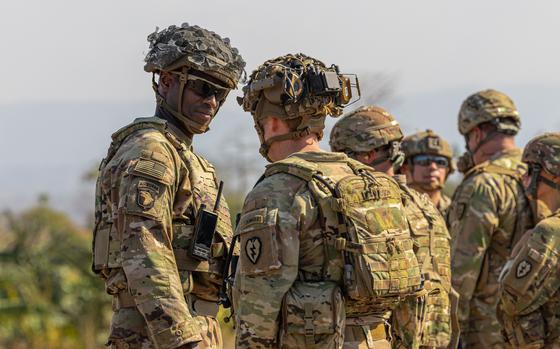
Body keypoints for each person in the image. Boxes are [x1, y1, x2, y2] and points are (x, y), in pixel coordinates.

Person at [233, 54, 422, 349]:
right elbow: (411, 291)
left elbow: (258, 307)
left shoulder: (278, 190)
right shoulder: (378, 183)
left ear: (269, 122)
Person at [91, 23, 245, 349]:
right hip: (158, 334)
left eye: (221, 94)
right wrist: (182, 339)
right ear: (166, 82)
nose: (212, 102)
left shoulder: (183, 154)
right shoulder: (152, 150)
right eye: (203, 89)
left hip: (192, 326)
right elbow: (145, 251)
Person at [330, 105, 454, 349]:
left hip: (394, 337)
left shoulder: (373, 206)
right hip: (436, 334)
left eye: (344, 154)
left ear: (368, 154)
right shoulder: (423, 202)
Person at [447, 89, 531, 348]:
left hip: (490, 328)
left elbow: (462, 270)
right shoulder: (543, 174)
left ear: (477, 133)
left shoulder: (483, 184)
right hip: (540, 325)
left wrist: (449, 336)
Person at [497, 132, 560, 349]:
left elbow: (511, 301)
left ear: (554, 173)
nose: (524, 177)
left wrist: (514, 258)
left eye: (531, 169)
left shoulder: (550, 230)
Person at [400, 129, 455, 217]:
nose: (433, 167)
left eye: (440, 162)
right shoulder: (396, 209)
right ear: (404, 169)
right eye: (423, 161)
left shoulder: (456, 213)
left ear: (448, 170)